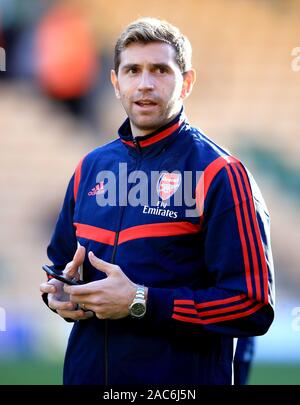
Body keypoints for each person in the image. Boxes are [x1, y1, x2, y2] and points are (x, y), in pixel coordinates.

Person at [40, 17, 275, 385]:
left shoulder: (221, 174)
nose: (145, 83)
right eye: (133, 70)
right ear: (116, 83)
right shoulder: (90, 167)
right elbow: (59, 264)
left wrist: (140, 302)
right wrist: (59, 296)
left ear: (187, 83)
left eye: (161, 70)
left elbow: (253, 305)